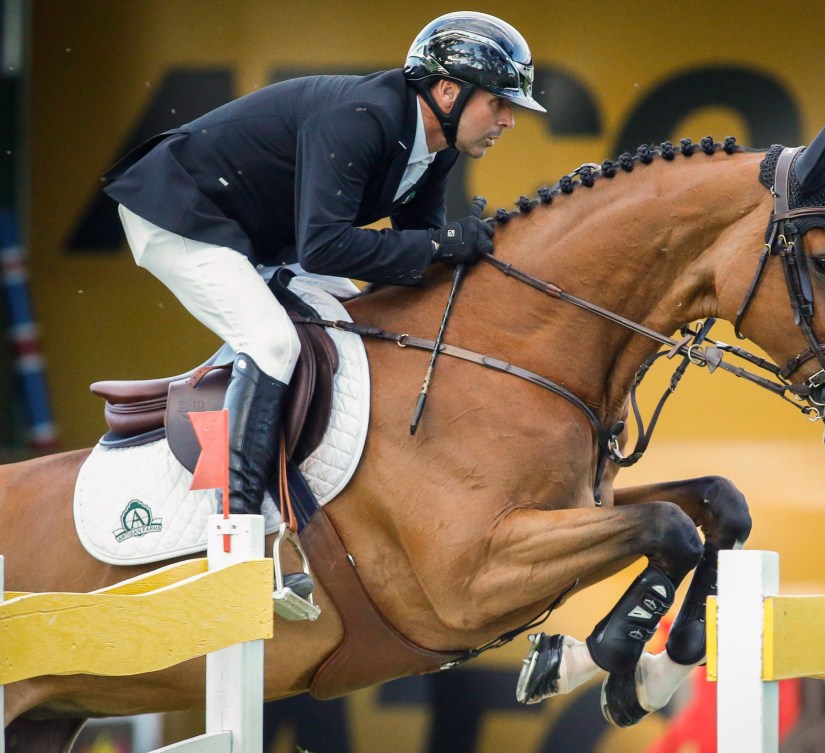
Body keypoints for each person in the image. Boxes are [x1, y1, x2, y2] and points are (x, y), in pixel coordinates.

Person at [101, 12, 545, 592]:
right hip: (181, 212)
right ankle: (234, 545)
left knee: (352, 316)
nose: (509, 119)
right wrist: (439, 244)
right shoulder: (363, 118)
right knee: (273, 341)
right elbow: (327, 244)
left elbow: (412, 270)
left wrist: (463, 256)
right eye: (500, 104)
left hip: (253, 232)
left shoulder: (437, 146)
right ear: (447, 91)